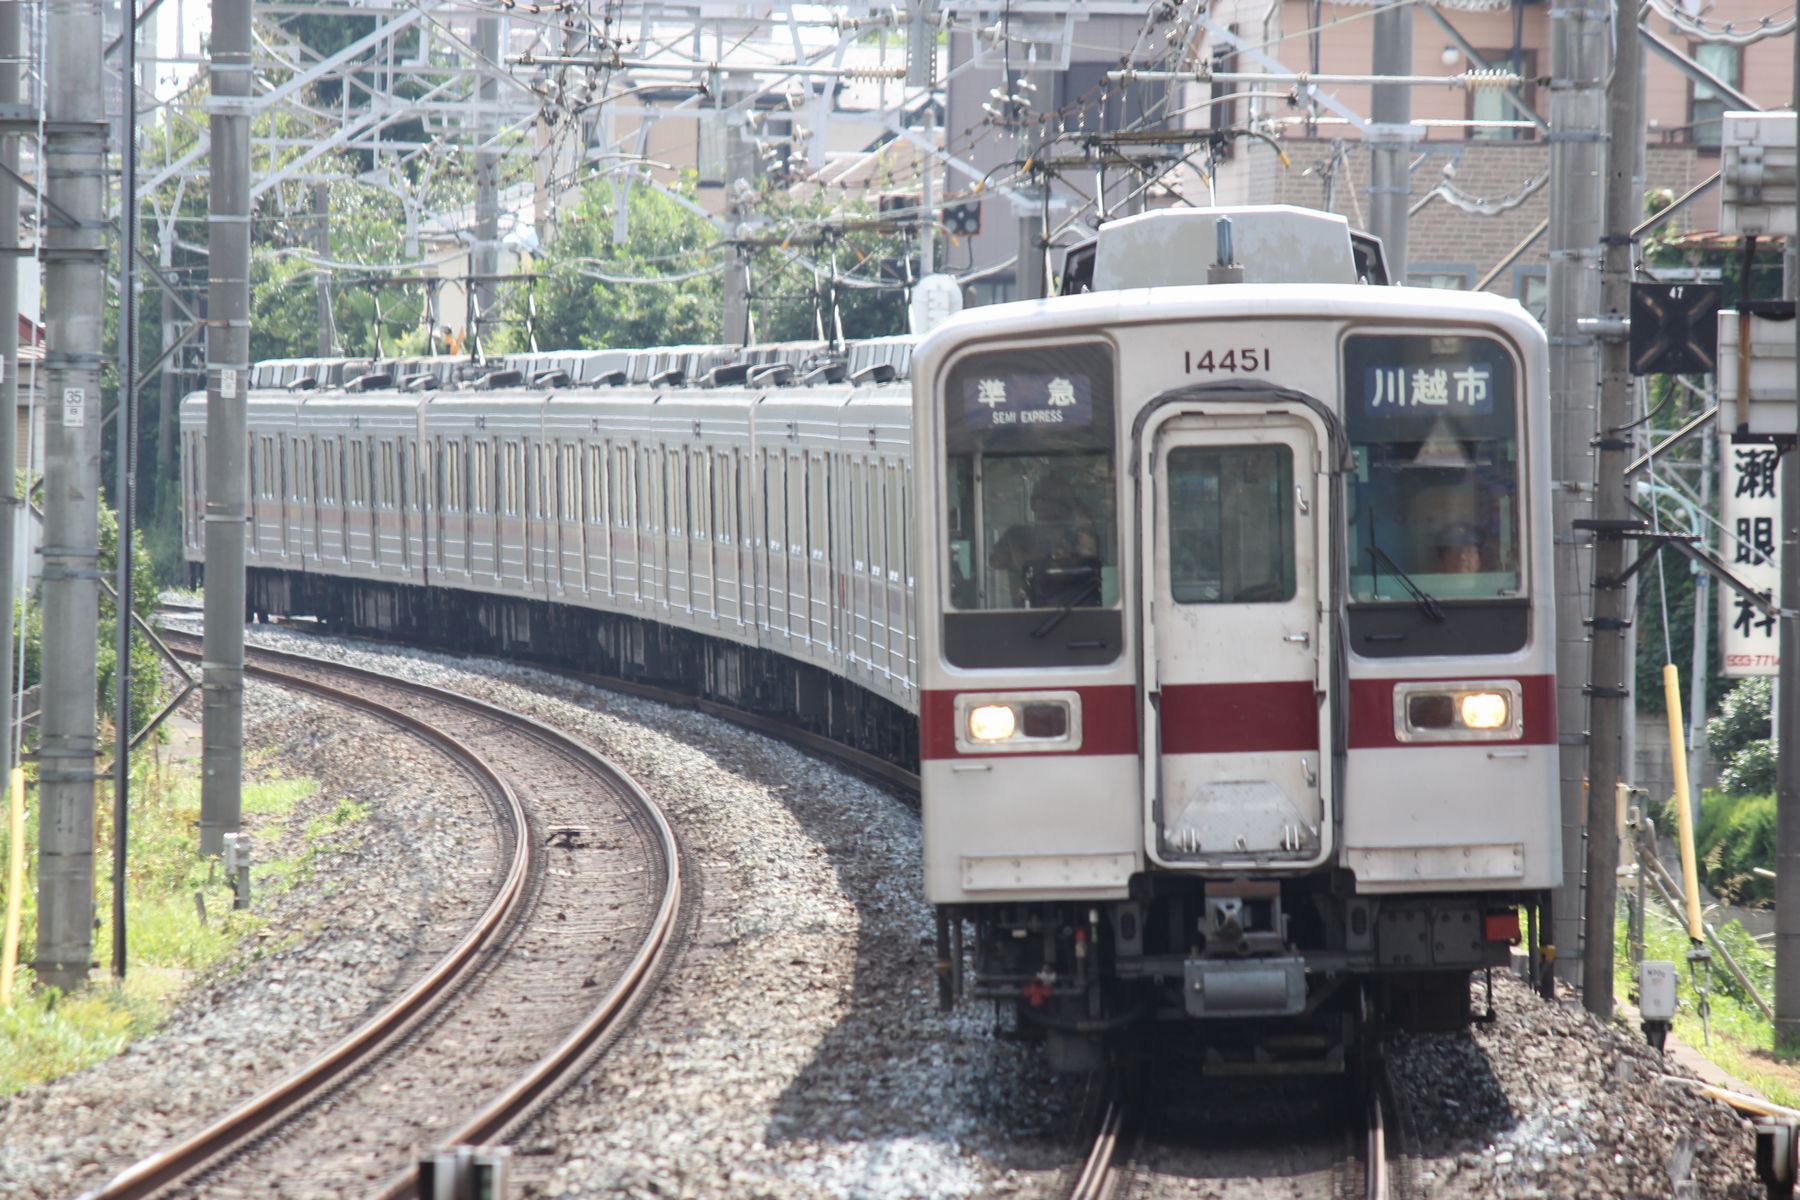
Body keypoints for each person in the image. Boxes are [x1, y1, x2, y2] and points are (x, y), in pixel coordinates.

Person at [990, 474, 1101, 607]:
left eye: (1054, 501)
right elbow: (995, 563)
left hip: (1075, 615)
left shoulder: (1078, 537)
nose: (1044, 505)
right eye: (1040, 499)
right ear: (1032, 503)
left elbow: (1091, 564)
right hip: (1025, 617)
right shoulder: (1016, 535)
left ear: (1068, 507)